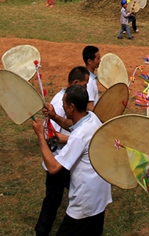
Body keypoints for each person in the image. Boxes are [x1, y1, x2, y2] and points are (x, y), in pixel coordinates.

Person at [33, 84, 111, 235]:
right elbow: (72, 125)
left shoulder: (79, 136)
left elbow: (54, 167)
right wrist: (55, 116)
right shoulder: (92, 118)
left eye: (64, 104)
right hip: (99, 197)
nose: (62, 105)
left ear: (72, 107)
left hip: (85, 202)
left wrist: (41, 136)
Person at [36, 67, 91, 236]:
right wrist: (76, 141)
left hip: (69, 158)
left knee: (54, 199)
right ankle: (42, 230)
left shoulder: (75, 104)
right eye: (85, 84)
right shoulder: (61, 103)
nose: (87, 88)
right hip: (59, 160)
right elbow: (49, 135)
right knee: (54, 199)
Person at [81, 45, 101, 110]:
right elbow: (89, 107)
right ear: (89, 61)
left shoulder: (88, 77)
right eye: (98, 58)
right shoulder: (89, 81)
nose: (100, 61)